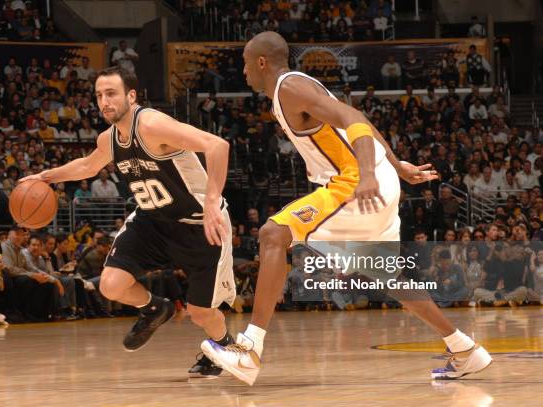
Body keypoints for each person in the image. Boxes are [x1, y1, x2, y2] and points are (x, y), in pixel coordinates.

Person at [201, 31, 492, 385]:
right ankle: (463, 349)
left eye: (246, 64)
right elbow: (360, 122)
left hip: (356, 183)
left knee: (273, 234)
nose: (243, 72)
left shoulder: (289, 87)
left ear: (261, 62)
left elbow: (353, 116)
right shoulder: (295, 89)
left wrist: (369, 171)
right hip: (375, 180)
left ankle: (249, 349)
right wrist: (395, 164)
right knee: (389, 277)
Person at [21, 66, 236, 377]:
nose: (104, 101)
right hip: (152, 221)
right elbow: (88, 165)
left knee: (201, 313)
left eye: (111, 94)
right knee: (111, 284)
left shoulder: (152, 124)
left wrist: (213, 200)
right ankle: (155, 308)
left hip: (198, 223)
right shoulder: (110, 139)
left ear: (131, 96)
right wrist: (46, 176)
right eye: (99, 95)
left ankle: (223, 347)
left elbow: (218, 145)